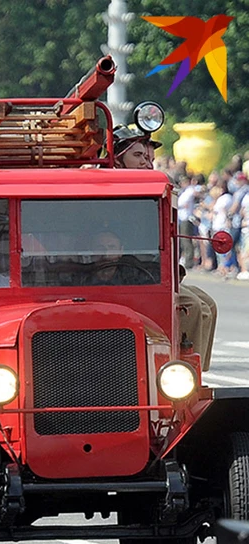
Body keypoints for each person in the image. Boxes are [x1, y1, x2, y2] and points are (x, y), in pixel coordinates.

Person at [112, 125, 218, 369]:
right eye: (137, 156)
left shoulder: (146, 188)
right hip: (124, 274)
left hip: (147, 272)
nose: (146, 163)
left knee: (207, 303)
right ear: (118, 158)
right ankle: (177, 370)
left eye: (148, 158)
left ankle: (195, 373)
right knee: (191, 305)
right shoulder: (116, 188)